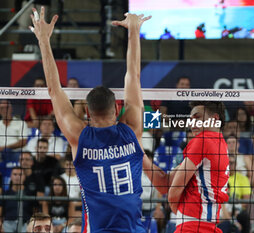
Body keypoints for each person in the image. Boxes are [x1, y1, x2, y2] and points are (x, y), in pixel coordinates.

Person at [30, 7, 151, 232]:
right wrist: (134, 30)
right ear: (117, 108)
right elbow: (133, 75)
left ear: (87, 112)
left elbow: (53, 89)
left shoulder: (79, 136)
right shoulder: (132, 129)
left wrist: (43, 40)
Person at [143, 101, 229, 232]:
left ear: (215, 119)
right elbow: (163, 183)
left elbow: (172, 193)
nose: (191, 123)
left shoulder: (203, 140)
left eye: (197, 117)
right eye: (190, 119)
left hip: (192, 226)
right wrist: (140, 154)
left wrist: (180, 213)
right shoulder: (221, 144)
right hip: (207, 226)